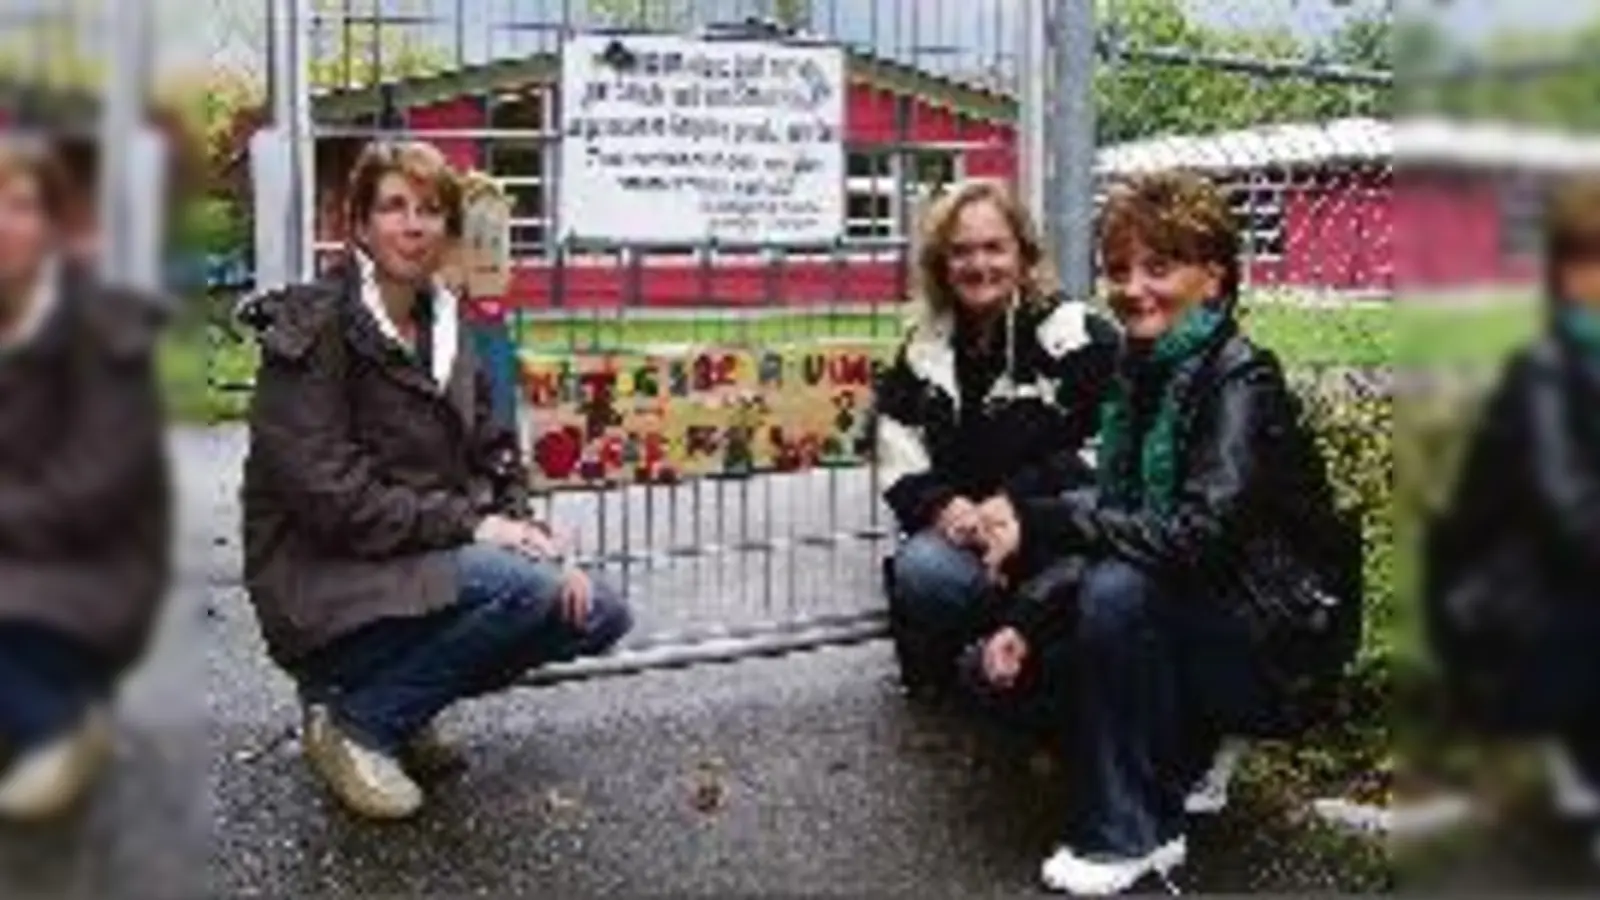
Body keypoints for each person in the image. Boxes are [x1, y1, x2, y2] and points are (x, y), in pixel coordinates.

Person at [973, 169, 1363, 894]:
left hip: (1282, 642)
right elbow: (1121, 518)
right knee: (1007, 676)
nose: (1132, 288)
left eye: (1159, 267)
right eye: (1118, 269)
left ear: (1213, 278)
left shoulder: (1241, 379)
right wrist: (1026, 617)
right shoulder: (1140, 372)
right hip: (1210, 605)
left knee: (1117, 591)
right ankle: (1189, 750)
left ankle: (1133, 832)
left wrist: (1046, 519)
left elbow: (1193, 536)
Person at [239, 141, 633, 820]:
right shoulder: (314, 329)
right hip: (324, 577)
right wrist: (476, 528)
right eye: (394, 207)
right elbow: (330, 497)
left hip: (417, 559)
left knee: (595, 611)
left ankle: (395, 700)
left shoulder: (450, 327)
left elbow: (497, 458)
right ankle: (358, 723)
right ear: (361, 225)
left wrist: (535, 539)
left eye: (429, 210)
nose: (413, 225)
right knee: (523, 590)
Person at [873, 178, 1118, 698]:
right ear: (941, 264)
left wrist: (1016, 503)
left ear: (1023, 255)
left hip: (1060, 537)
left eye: (994, 247)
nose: (978, 264)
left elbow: (1111, 446)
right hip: (972, 538)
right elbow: (895, 446)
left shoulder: (1077, 333)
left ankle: (1031, 638)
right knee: (923, 568)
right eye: (961, 251)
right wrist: (944, 507)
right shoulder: (924, 346)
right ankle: (1004, 645)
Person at [1422, 173, 1600, 846]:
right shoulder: (1545, 373)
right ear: (1564, 275)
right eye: (1589, 260)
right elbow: (1574, 522)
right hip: (1517, 612)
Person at [0, 137, 173, 821]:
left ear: (52, 225)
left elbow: (93, 491)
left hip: (85, 567)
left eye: (20, 206)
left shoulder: (105, 328)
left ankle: (56, 722)